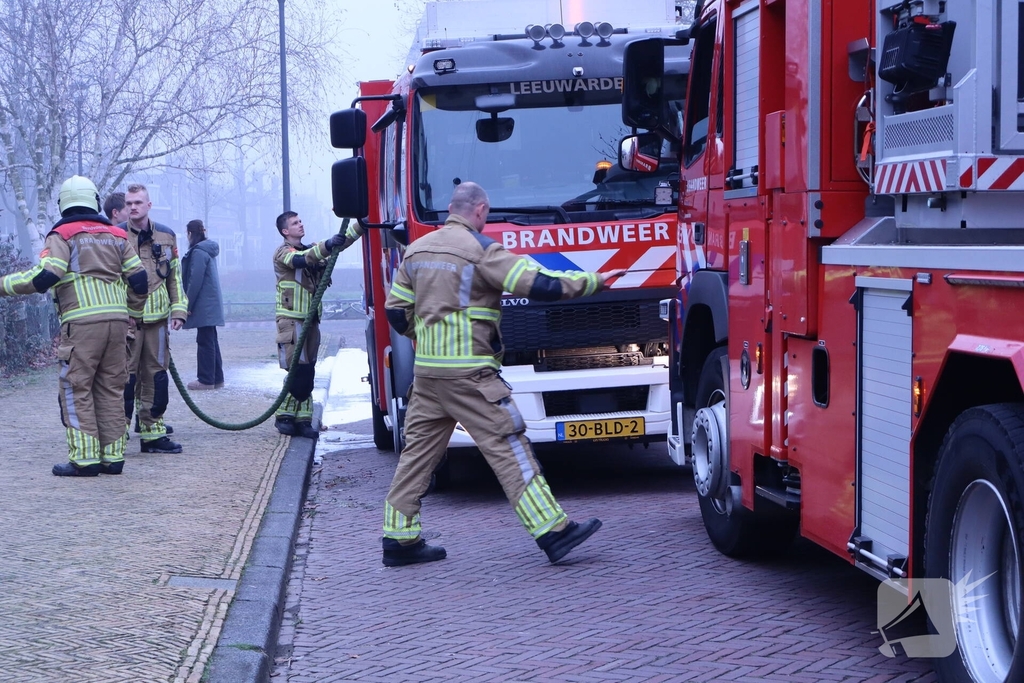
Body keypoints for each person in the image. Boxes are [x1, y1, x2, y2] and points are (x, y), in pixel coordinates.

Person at [379, 181, 627, 567]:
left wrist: (428, 338)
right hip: (471, 375)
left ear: (451, 208)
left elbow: (396, 312)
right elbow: (540, 285)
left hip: (428, 375)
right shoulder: (482, 250)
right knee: (510, 447)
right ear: (480, 210)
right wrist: (594, 281)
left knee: (417, 457)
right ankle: (553, 530)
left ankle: (399, 539)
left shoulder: (416, 250)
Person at [0, 176, 148, 476]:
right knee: (111, 389)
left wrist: (3, 285)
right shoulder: (117, 235)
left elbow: (46, 275)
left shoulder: (63, 234)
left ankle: (85, 459)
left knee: (76, 387)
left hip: (81, 324)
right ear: (94, 201)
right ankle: (112, 458)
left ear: (63, 204)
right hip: (117, 324)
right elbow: (140, 279)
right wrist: (132, 313)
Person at [122, 183, 188, 453]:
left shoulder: (167, 236)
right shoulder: (116, 236)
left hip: (158, 321)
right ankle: (116, 437)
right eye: (129, 203)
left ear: (149, 205)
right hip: (127, 323)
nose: (133, 207)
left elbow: (175, 277)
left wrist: (179, 310)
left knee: (156, 378)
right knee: (124, 380)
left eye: (138, 202)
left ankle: (153, 434)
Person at [272, 212, 348, 439]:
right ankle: (284, 416)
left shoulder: (312, 249)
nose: (300, 224)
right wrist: (327, 245)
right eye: (295, 223)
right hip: (291, 319)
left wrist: (360, 225)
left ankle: (303, 419)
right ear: (285, 231)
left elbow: (338, 245)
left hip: (311, 319)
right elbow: (301, 260)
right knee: (298, 369)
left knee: (309, 369)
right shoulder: (283, 253)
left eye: (300, 221)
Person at [181, 219, 225, 390]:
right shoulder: (208, 250)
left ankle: (206, 380)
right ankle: (217, 378)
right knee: (211, 339)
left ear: (190, 234)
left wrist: (187, 305)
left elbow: (195, 280)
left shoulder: (198, 252)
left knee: (205, 341)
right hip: (211, 302)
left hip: (203, 304)